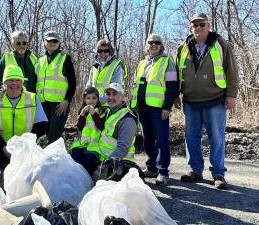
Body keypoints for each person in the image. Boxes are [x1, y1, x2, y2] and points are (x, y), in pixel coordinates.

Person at [176, 13, 238, 189]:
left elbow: (232, 71)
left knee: (216, 138)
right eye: (195, 25)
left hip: (215, 100)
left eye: (202, 25)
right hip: (190, 102)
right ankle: (195, 170)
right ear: (191, 28)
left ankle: (218, 174)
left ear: (208, 26)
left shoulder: (221, 44)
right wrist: (175, 96)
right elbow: (175, 74)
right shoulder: (183, 48)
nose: (198, 28)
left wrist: (231, 95)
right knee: (191, 138)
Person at [130, 33, 178, 185]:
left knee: (161, 140)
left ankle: (163, 171)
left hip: (158, 108)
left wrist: (167, 106)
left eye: (157, 42)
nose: (153, 45)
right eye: (150, 42)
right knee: (147, 139)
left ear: (161, 45)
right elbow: (137, 85)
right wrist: (134, 104)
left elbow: (172, 86)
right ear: (147, 45)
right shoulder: (142, 63)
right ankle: (151, 168)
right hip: (143, 107)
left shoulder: (166, 61)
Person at [0, 65, 47, 166]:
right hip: (3, 146)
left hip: (27, 146)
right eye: (10, 80)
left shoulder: (32, 98)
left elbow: (41, 126)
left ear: (22, 82)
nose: (14, 83)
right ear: (4, 83)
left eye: (18, 80)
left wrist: (26, 146)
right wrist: (4, 147)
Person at [36, 30, 76, 143]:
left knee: (54, 136)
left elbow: (73, 83)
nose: (52, 43)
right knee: (43, 136)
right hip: (43, 105)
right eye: (49, 40)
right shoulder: (40, 61)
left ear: (59, 43)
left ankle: (57, 157)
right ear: (44, 42)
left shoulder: (65, 58)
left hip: (59, 105)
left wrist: (67, 101)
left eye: (55, 41)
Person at [69, 87, 109, 175]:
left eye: (94, 98)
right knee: (74, 158)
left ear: (98, 99)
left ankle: (87, 180)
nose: (91, 101)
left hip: (93, 146)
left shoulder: (102, 111)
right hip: (81, 143)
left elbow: (101, 127)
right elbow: (79, 127)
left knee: (88, 162)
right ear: (84, 99)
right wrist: (82, 114)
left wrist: (93, 113)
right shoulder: (83, 111)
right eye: (88, 98)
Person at [98, 83, 137, 163]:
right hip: (102, 158)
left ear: (123, 97)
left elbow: (122, 149)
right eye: (108, 94)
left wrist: (106, 164)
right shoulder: (109, 112)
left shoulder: (127, 119)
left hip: (118, 164)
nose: (111, 97)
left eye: (114, 94)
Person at [86, 39, 127, 103]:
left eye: (106, 51)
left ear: (110, 51)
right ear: (97, 52)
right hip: (94, 105)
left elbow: (115, 90)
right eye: (100, 51)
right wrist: (87, 98)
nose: (103, 53)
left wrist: (96, 100)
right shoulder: (94, 66)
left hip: (110, 106)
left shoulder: (117, 66)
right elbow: (89, 86)